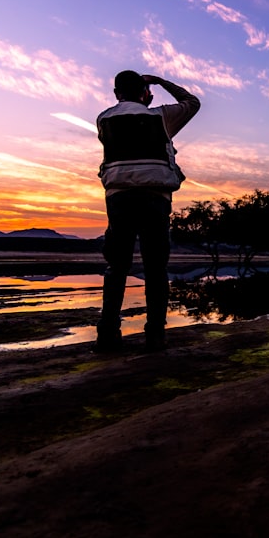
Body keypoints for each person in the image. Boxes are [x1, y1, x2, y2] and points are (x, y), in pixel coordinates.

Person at [94, 70, 201, 352]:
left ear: (116, 93)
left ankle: (107, 335)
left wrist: (142, 95)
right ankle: (155, 336)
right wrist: (161, 83)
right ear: (145, 93)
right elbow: (192, 102)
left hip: (118, 199)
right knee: (156, 269)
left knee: (117, 266)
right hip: (155, 198)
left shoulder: (104, 119)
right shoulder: (160, 117)